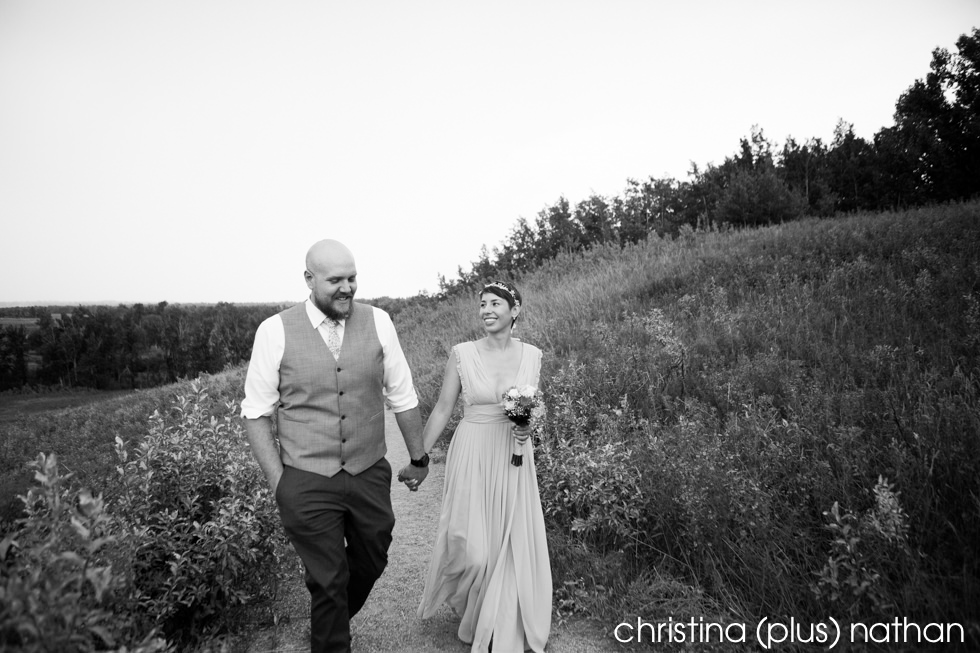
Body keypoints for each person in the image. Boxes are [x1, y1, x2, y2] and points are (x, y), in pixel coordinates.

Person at [240, 239, 430, 653]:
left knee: (372, 558)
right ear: (309, 279)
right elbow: (256, 413)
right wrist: (280, 484)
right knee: (328, 580)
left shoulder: (379, 322)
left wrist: (419, 457)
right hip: (305, 479)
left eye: (352, 278)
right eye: (335, 280)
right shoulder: (274, 331)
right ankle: (331, 640)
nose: (347, 288)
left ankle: (330, 623)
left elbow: (403, 396)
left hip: (368, 471)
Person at [416, 280, 552, 653]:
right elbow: (443, 409)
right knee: (471, 547)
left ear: (515, 310)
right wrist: (418, 457)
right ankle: (469, 602)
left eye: (495, 303)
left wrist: (527, 425)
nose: (487, 310)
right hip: (473, 450)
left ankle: (497, 621)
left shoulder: (532, 355)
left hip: (514, 453)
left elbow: (533, 407)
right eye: (482, 305)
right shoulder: (462, 354)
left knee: (509, 541)